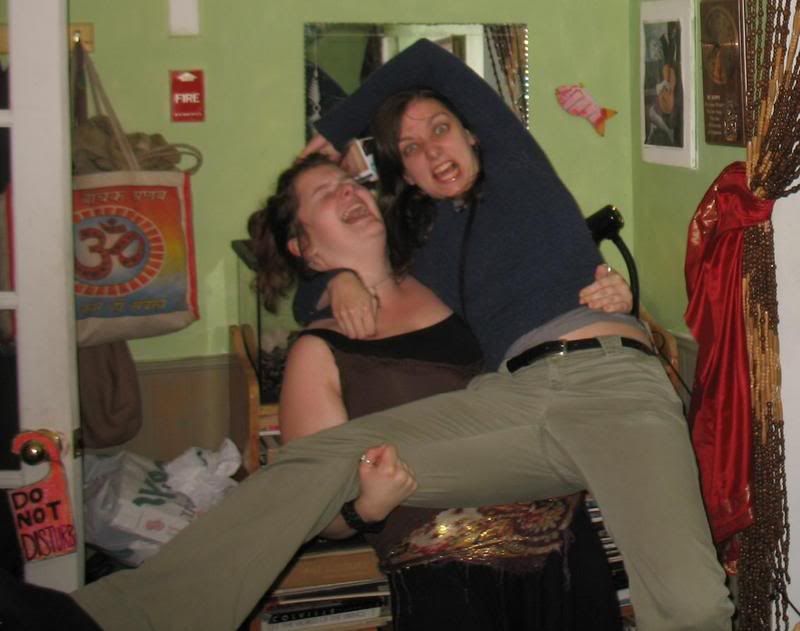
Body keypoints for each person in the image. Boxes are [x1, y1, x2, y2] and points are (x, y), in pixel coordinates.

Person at [4, 39, 731, 631]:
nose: (431, 151)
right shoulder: (429, 248)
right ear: (402, 172)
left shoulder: (520, 174)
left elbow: (428, 61)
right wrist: (339, 283)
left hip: (608, 385)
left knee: (693, 606)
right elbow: (311, 278)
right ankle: (110, 618)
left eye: (440, 129)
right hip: (513, 400)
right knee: (319, 459)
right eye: (410, 148)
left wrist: (330, 132)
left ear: (473, 131)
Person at [251, 154, 623, 630]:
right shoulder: (317, 351)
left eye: (350, 181)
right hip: (454, 585)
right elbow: (315, 509)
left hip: (568, 555)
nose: (348, 190)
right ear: (303, 246)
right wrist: (366, 507)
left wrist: (608, 301)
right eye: (325, 193)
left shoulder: (444, 280)